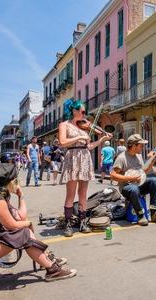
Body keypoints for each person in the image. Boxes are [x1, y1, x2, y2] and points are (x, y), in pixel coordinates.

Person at [0, 164, 77, 281]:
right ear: (12, 181)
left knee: (23, 231)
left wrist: (21, 196)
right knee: (24, 233)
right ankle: (52, 269)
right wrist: (27, 224)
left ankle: (47, 260)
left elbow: (19, 217)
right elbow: (12, 225)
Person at [58, 99, 111, 237]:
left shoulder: (84, 127)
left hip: (85, 158)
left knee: (83, 193)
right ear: (74, 111)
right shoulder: (64, 125)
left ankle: (82, 222)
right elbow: (63, 142)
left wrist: (101, 140)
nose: (84, 115)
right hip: (72, 158)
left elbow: (88, 146)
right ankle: (68, 224)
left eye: (85, 112)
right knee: (70, 194)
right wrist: (79, 137)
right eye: (82, 112)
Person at [110, 134, 156, 226]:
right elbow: (113, 175)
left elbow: (143, 172)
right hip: (127, 187)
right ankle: (140, 216)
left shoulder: (138, 156)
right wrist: (131, 178)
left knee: (154, 180)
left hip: (139, 184)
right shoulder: (121, 158)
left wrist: (153, 161)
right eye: (141, 145)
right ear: (133, 146)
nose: (143, 147)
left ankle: (154, 212)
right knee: (133, 189)